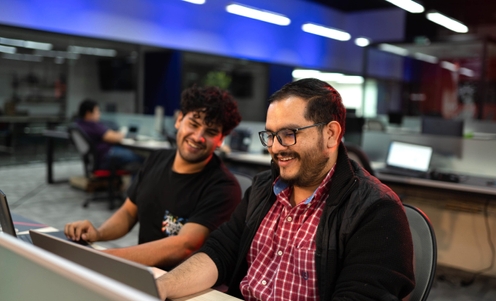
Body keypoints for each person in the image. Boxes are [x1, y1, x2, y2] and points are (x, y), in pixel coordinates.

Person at [156, 78, 415, 300]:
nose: (276, 147)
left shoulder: (375, 210)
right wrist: (160, 288)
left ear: (331, 135)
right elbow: (220, 252)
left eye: (289, 133)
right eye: (270, 134)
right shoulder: (262, 188)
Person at [64, 86, 243, 270]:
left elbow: (184, 246)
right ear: (179, 120)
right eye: (193, 124)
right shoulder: (157, 158)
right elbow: (128, 213)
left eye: (211, 132)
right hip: (143, 272)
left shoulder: (224, 187)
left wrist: (105, 258)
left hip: (184, 287)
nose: (198, 137)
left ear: (221, 139)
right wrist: (98, 233)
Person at [75, 99, 144, 170]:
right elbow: (114, 138)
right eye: (97, 111)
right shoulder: (92, 125)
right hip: (105, 157)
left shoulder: (79, 124)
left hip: (96, 160)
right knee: (141, 159)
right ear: (88, 113)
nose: (99, 114)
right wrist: (122, 133)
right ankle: (138, 180)